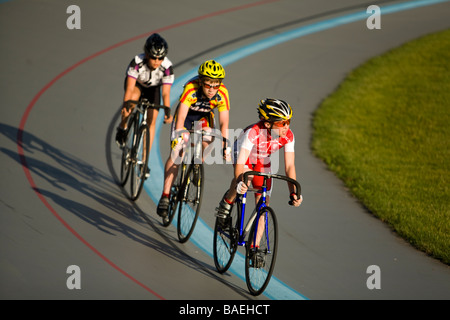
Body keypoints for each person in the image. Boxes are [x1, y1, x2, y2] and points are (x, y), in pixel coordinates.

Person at [157, 59, 230, 218]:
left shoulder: (222, 93)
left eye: (216, 85)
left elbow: (224, 123)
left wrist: (226, 145)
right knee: (177, 154)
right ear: (201, 82)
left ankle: (198, 164)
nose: (212, 89)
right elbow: (181, 117)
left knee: (210, 138)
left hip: (204, 117)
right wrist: (178, 138)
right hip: (187, 117)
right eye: (208, 84)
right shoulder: (191, 89)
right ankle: (165, 195)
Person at [215, 98, 303, 224]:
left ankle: (254, 244)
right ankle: (227, 203)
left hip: (262, 158)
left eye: (288, 121)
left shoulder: (289, 136)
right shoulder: (253, 132)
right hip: (243, 154)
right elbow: (241, 162)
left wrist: (293, 192)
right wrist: (241, 182)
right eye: (281, 123)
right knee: (247, 177)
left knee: (263, 204)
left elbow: (289, 166)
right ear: (268, 124)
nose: (286, 127)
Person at [115, 33, 174, 178]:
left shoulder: (167, 67)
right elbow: (129, 88)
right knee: (132, 100)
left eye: (160, 58)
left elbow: (166, 93)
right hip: (137, 86)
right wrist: (125, 105)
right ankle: (123, 127)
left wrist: (167, 110)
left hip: (153, 89)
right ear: (147, 54)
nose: (156, 61)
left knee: (152, 120)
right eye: (153, 57)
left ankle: (144, 160)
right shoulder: (136, 62)